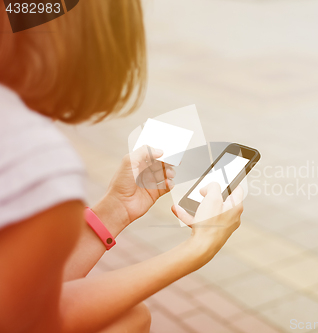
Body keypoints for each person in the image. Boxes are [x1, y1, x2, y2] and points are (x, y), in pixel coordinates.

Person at [0, 1, 244, 332]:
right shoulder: (37, 159)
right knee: (129, 321)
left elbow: (20, 289)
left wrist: (117, 209)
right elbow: (35, 317)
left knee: (131, 316)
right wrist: (199, 248)